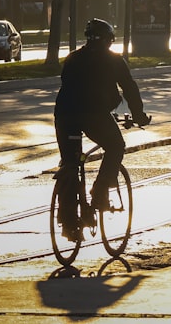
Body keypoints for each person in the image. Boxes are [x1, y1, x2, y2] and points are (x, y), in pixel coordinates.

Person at [54, 18, 151, 241]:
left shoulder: (73, 58)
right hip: (94, 115)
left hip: (65, 116)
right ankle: (99, 191)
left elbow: (66, 82)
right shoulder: (114, 60)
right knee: (116, 146)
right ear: (109, 41)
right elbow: (129, 88)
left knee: (70, 163)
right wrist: (139, 116)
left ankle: (69, 224)